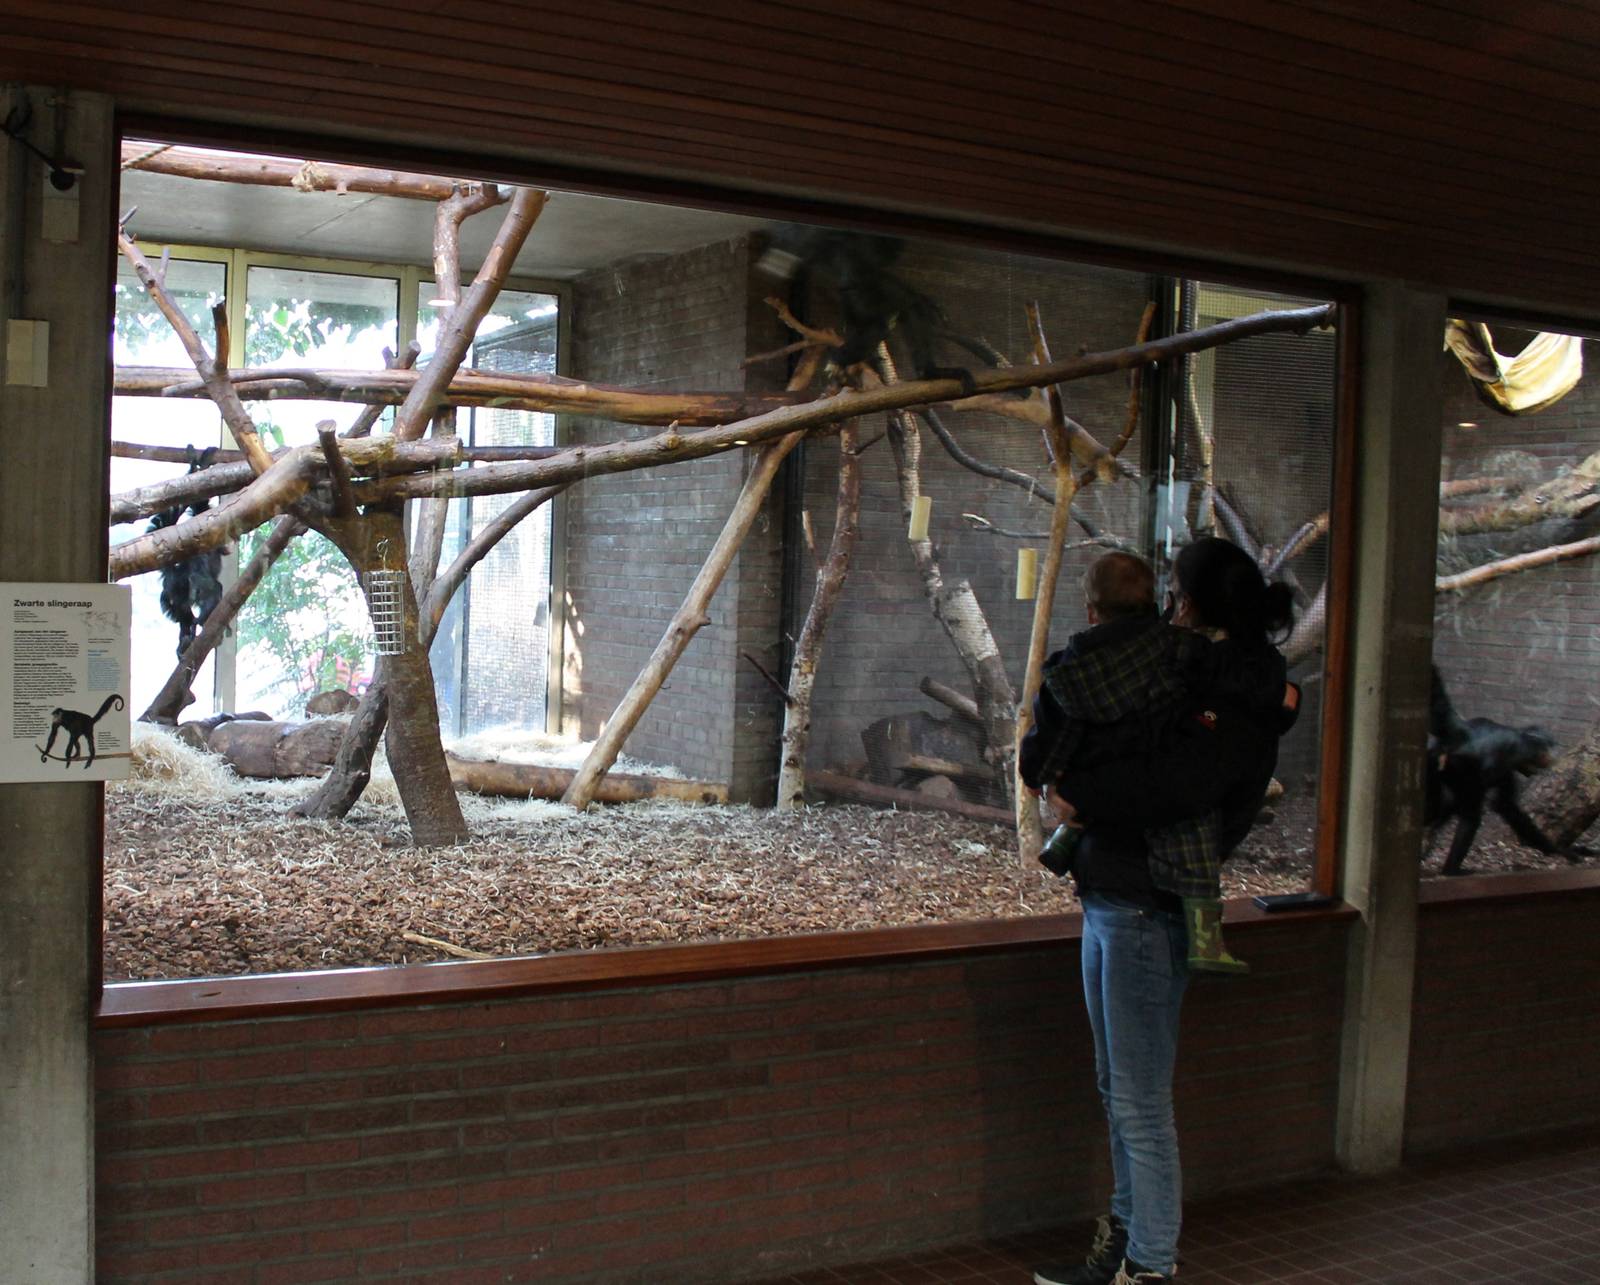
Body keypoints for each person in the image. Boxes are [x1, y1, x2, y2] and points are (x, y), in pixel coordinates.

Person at [1030, 537, 1299, 1285]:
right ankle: (1122, 1246)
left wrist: (1082, 794)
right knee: (1120, 1088)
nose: (1167, 605)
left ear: (1195, 601)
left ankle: (1150, 1262)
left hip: (1149, 905)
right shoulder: (1174, 664)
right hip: (1112, 893)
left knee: (1141, 1101)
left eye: (1177, 590)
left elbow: (1181, 787)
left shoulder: (1223, 684)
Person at [1018, 550, 1249, 974]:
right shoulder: (1186, 656)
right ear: (1156, 602)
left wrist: (1044, 778)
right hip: (1152, 868)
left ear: (1091, 613)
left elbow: (1041, 748)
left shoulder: (1071, 671)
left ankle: (1067, 837)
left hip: (1113, 873)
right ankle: (1207, 937)